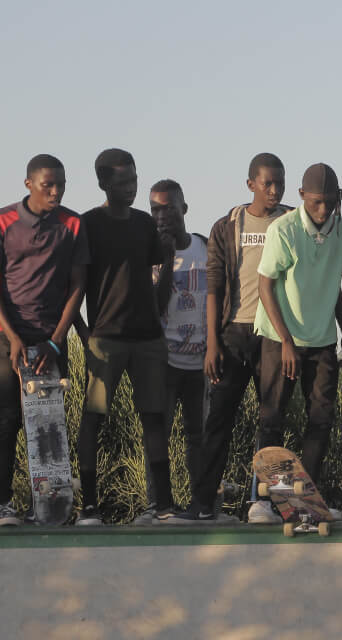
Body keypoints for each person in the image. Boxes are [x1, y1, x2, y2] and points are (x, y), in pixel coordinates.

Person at [75, 148, 181, 525]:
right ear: (104, 184)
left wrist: (169, 256)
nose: (131, 189)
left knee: (154, 417)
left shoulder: (143, 224)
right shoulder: (87, 224)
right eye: (123, 183)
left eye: (134, 180)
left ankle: (164, 506)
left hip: (148, 337)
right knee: (95, 417)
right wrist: (84, 333)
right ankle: (89, 506)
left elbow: (157, 272)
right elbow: (76, 286)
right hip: (106, 338)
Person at [252, 163, 342, 519]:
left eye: (329, 203)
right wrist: (287, 342)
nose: (323, 211)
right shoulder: (284, 229)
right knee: (272, 417)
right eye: (315, 203)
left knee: (322, 418)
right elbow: (265, 286)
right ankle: (265, 501)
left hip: (322, 338)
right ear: (302, 197)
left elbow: (334, 284)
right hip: (280, 338)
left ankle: (302, 500)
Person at [199, 153, 292, 524]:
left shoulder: (290, 221)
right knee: (219, 418)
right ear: (251, 183)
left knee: (271, 418)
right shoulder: (228, 225)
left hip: (272, 333)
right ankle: (204, 503)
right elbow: (213, 285)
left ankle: (263, 501)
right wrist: (212, 342)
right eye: (267, 183)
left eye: (280, 183)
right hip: (234, 332)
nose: (274, 190)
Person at [0, 155, 88, 526]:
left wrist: (56, 339)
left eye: (61, 184)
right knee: (6, 420)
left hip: (50, 340)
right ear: (28, 184)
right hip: (8, 339)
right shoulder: (4, 221)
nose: (56, 191)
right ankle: (4, 505)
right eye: (48, 184)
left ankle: (50, 508)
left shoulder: (72, 223)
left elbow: (77, 285)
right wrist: (12, 335)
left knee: (49, 425)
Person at [133, 180, 211, 524]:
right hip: (163, 362)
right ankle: (158, 505)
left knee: (198, 436)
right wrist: (165, 259)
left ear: (184, 209)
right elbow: (154, 305)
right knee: (158, 433)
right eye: (155, 209)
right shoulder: (149, 256)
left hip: (200, 361)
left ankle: (200, 504)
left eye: (168, 208)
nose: (161, 216)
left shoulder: (205, 248)